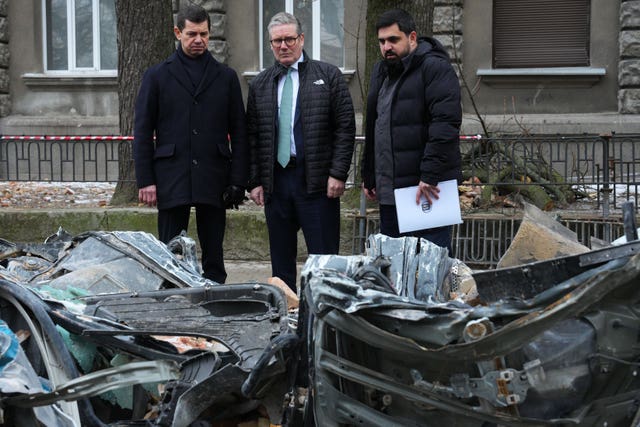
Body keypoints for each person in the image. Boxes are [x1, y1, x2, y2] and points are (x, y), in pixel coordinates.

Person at [133, 3, 248, 283]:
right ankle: (172, 299)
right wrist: (145, 180)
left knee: (214, 253)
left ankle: (216, 301)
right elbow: (142, 130)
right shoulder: (157, 76)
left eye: (204, 34)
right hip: (172, 174)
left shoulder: (226, 77)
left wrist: (238, 180)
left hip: (214, 175)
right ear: (177, 32)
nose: (199, 40)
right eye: (192, 34)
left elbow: (240, 132)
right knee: (169, 251)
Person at [246, 12, 355, 292]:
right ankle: (286, 320)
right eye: (277, 41)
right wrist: (255, 180)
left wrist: (338, 173)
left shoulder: (328, 76)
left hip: (317, 183)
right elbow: (253, 136)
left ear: (301, 39)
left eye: (289, 39)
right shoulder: (260, 84)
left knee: (324, 259)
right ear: (270, 44)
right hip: (277, 184)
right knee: (281, 264)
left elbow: (345, 128)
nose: (283, 45)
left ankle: (325, 318)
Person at [361, 8, 462, 255]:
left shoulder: (435, 68)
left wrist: (429, 174)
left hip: (425, 191)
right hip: (390, 194)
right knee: (395, 271)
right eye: (382, 42)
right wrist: (369, 173)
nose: (387, 47)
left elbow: (445, 124)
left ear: (412, 38)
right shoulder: (381, 71)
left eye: (393, 40)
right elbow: (375, 124)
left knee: (430, 269)